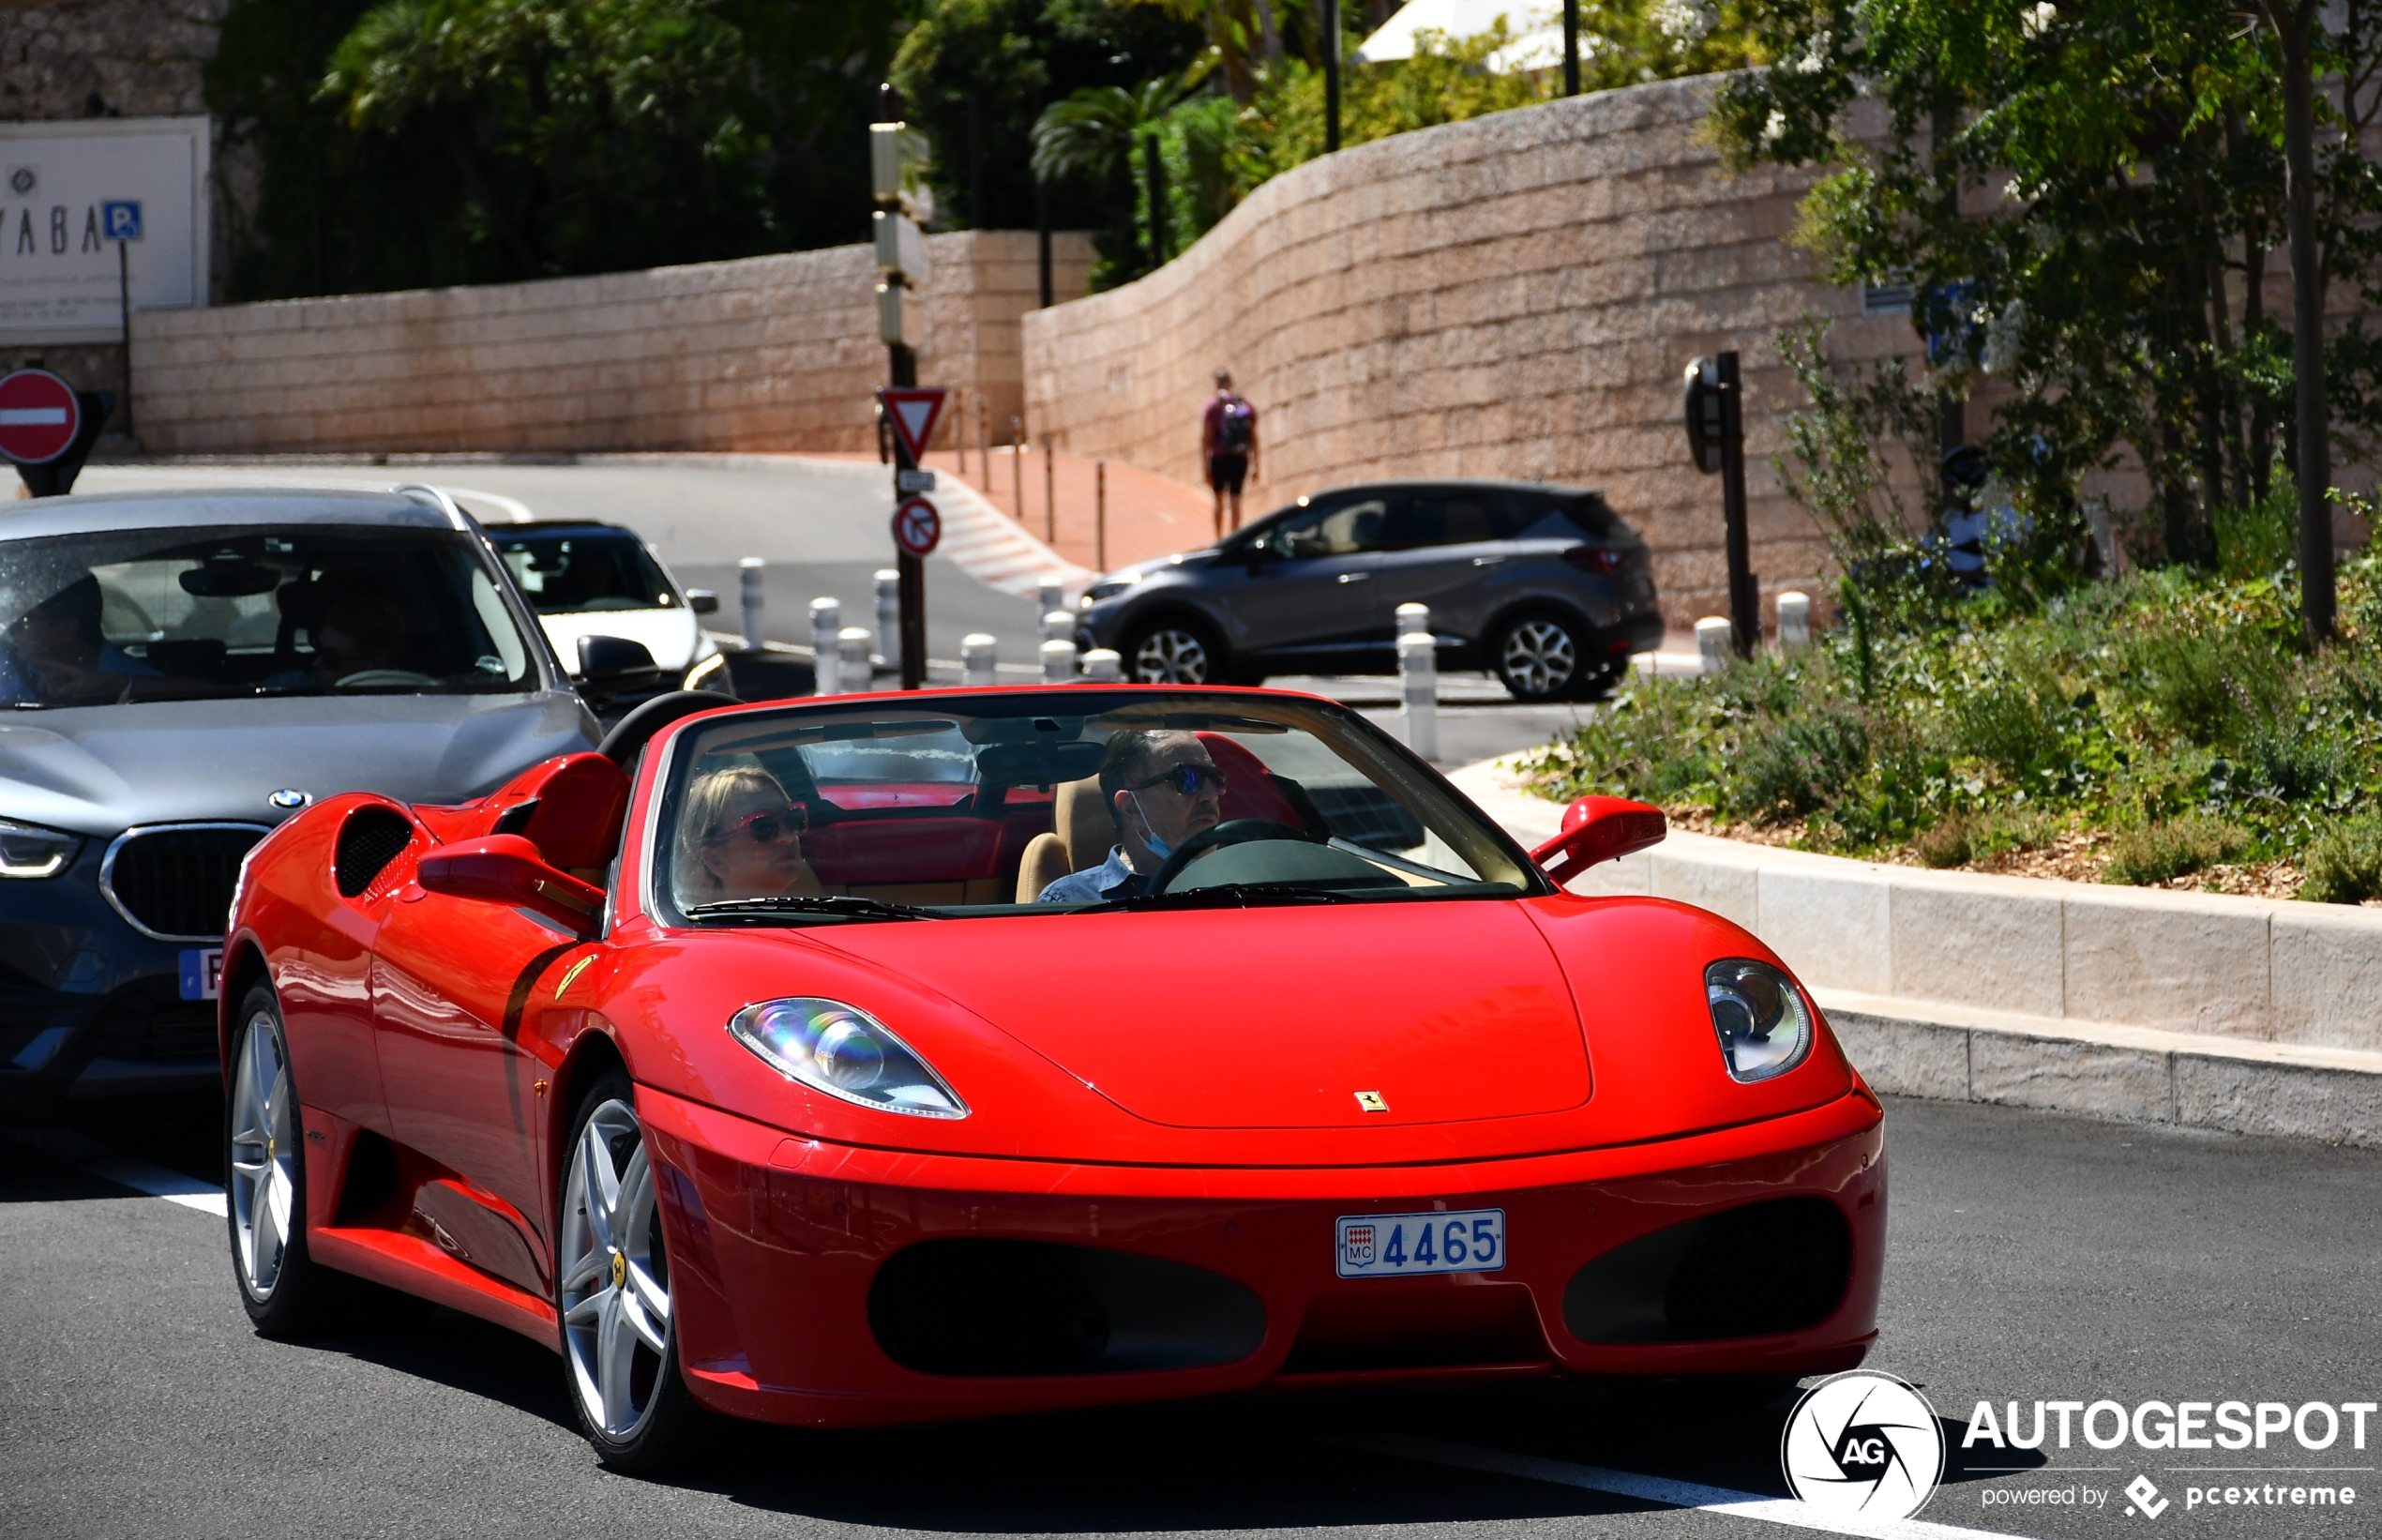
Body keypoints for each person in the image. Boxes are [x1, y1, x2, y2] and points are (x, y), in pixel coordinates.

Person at [1037, 730, 1226, 904]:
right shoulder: (1070, 903)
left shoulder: (1247, 886)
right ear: (1132, 808)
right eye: (1187, 778)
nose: (1211, 794)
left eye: (1215, 778)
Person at [675, 764, 826, 904]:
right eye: (763, 827)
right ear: (715, 860)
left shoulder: (819, 915)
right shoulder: (695, 930)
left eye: (793, 818)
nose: (787, 837)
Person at [0, 575, 158, 704]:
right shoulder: (5, 668)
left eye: (25, 619)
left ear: (67, 629)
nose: (11, 628)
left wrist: (112, 685)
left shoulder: (142, 684)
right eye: (12, 615)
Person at [1199, 369, 1259, 537]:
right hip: (1240, 458)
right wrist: (1256, 466)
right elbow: (1254, 437)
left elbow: (1205, 438)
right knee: (1235, 500)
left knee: (1218, 500)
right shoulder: (1245, 404)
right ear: (1231, 383)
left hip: (1218, 458)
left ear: (1217, 384)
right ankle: (1235, 539)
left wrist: (1205, 466)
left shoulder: (1212, 405)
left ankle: (1219, 539)